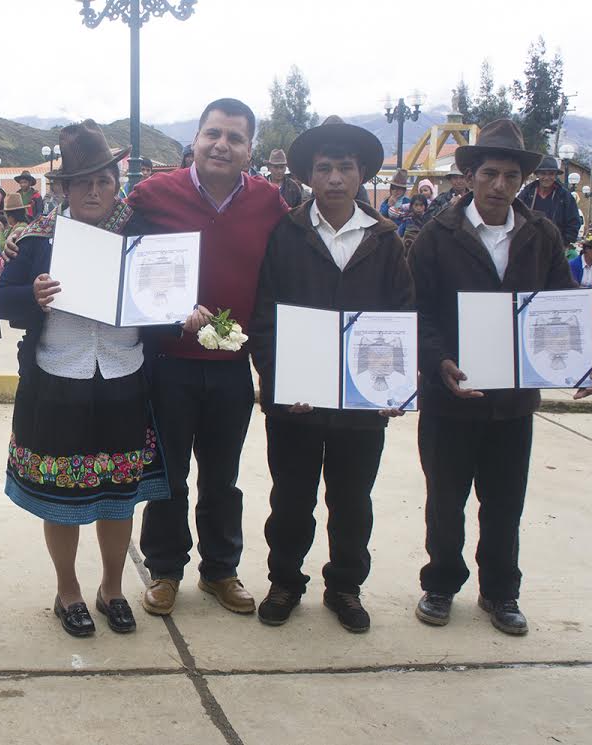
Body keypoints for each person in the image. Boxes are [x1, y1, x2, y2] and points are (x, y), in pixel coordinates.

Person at [411, 119, 592, 636]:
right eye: (490, 173)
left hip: (513, 401)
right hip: (451, 397)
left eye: (511, 176)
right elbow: (419, 312)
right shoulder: (437, 235)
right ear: (470, 174)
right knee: (446, 500)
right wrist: (438, 362)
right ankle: (441, 584)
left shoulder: (541, 235)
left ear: (524, 180)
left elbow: (564, 307)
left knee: (504, 503)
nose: (500, 185)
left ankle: (500, 593)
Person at [0, 120, 171, 636]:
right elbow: (2, 300)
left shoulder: (142, 237)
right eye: (83, 183)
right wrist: (34, 295)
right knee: (62, 495)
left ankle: (112, 587)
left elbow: (167, 293)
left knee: (119, 490)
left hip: (124, 375)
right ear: (65, 189)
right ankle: (67, 590)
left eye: (104, 181)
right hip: (58, 376)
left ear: (117, 184)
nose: (94, 192)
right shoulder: (36, 242)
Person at [248, 116, 413, 634]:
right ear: (310, 176)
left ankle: (345, 585)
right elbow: (265, 317)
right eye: (325, 168)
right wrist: (280, 381)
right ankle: (284, 581)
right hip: (296, 402)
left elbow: (402, 314)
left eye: (346, 167)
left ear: (362, 173)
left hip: (362, 403)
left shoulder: (385, 239)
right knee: (291, 498)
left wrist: (396, 386)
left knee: (351, 501)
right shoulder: (287, 234)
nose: (336, 178)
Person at [129, 98, 289, 618]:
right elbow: (105, 235)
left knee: (222, 475)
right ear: (195, 140)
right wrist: (27, 245)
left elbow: (301, 253)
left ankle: (221, 569)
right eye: (213, 134)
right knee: (167, 475)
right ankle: (165, 571)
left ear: (250, 150)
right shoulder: (154, 194)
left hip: (231, 368)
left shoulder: (270, 203)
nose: (222, 145)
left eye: (235, 138)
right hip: (168, 363)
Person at [518, 155, 581, 245]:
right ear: (537, 174)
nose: (547, 178)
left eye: (551, 174)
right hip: (528, 244)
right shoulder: (526, 194)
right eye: (543, 173)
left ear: (556, 175)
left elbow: (574, 223)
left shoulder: (565, 197)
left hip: (554, 247)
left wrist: (563, 244)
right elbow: (516, 216)